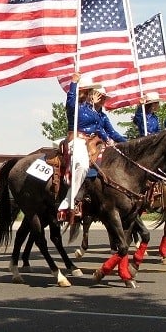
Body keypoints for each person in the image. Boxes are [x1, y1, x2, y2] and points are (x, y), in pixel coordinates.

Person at [57, 73, 112, 224]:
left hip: (90, 141)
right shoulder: (74, 106)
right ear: (81, 91)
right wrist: (73, 84)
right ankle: (68, 201)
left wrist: (108, 140)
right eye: (87, 91)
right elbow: (70, 101)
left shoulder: (91, 109)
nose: (89, 94)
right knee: (82, 165)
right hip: (77, 139)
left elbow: (98, 127)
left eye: (89, 92)